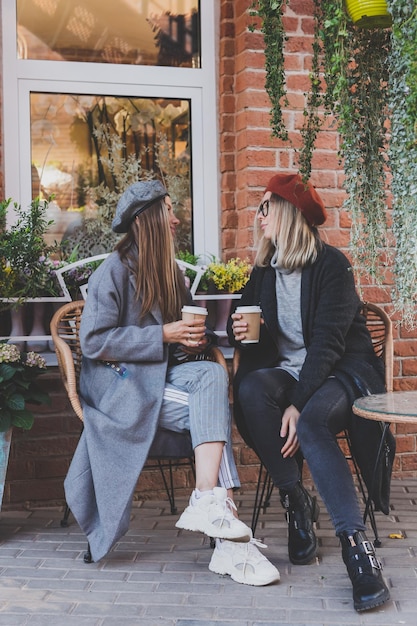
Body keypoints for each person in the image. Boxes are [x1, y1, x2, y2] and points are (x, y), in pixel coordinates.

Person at [64, 179, 279, 587]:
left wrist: (198, 338)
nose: (177, 219)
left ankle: (211, 507)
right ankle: (228, 540)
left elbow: (179, 341)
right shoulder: (112, 271)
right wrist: (164, 335)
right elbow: (93, 341)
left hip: (160, 382)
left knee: (212, 379)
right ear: (147, 220)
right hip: (120, 389)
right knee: (212, 403)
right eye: (169, 211)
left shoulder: (170, 273)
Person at [227, 173, 391, 611]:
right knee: (251, 389)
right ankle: (296, 499)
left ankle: (357, 550)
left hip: (342, 372)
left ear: (284, 212)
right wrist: (239, 331)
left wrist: (299, 404)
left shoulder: (331, 266)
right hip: (290, 371)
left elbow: (328, 345)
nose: (258, 215)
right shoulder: (264, 271)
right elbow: (243, 323)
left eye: (265, 206)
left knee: (315, 422)